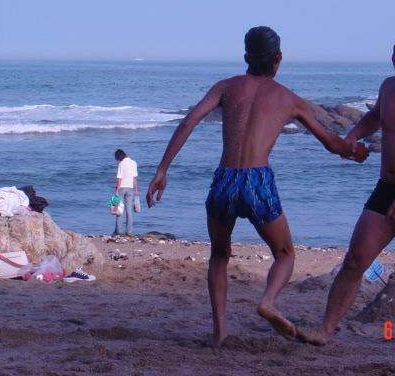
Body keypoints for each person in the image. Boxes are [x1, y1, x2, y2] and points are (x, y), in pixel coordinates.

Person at [146, 26, 369, 348]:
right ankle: (267, 301)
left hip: (225, 179)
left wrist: (162, 170)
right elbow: (330, 143)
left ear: (245, 56)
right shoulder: (289, 99)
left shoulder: (225, 87)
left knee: (219, 255)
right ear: (278, 59)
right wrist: (353, 150)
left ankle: (220, 333)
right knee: (285, 253)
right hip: (257, 181)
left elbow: (189, 121)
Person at [299, 28, 395, 347]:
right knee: (355, 261)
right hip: (387, 189)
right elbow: (375, 116)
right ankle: (325, 330)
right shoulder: (389, 87)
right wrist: (351, 137)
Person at [114, 149, 139, 236]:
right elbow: (135, 178)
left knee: (119, 210)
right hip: (130, 188)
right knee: (129, 210)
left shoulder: (121, 164)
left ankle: (119, 231)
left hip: (121, 188)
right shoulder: (134, 163)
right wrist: (136, 190)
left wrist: (117, 189)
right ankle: (129, 232)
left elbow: (119, 178)